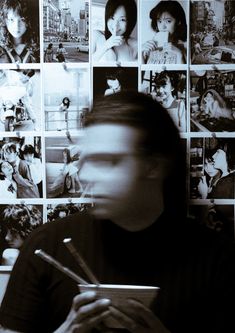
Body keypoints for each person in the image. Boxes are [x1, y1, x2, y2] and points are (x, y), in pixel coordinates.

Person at [0, 91, 235, 333]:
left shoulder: (218, 260)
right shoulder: (46, 246)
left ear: (154, 165)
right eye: (86, 161)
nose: (87, 175)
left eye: (107, 161)